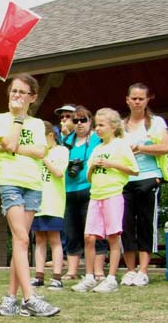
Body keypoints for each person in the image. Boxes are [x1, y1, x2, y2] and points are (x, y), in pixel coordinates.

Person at [0, 74, 59, 317]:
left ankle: (10, 299)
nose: (16, 96)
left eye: (21, 92)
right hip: (10, 182)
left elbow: (40, 151)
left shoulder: (38, 124)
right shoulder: (0, 119)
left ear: (33, 97)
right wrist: (17, 121)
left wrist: (13, 146)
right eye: (13, 91)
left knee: (21, 242)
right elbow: (6, 143)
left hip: (33, 184)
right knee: (21, 239)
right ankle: (29, 298)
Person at [72, 109, 139, 293]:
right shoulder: (97, 148)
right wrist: (93, 166)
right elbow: (89, 177)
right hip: (95, 195)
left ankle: (111, 278)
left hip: (113, 195)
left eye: (101, 125)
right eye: (97, 125)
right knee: (88, 237)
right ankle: (89, 277)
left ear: (114, 126)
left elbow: (134, 170)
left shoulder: (120, 145)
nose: (98, 129)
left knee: (113, 237)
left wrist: (112, 164)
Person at [120, 83, 168, 287]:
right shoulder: (121, 125)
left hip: (149, 177)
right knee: (126, 224)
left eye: (141, 98)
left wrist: (142, 148)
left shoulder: (156, 122)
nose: (137, 102)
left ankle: (143, 270)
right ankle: (130, 270)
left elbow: (166, 147)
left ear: (147, 100)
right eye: (133, 98)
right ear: (127, 100)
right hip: (125, 179)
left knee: (145, 222)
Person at [62, 105, 101, 280]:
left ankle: (97, 271)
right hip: (68, 190)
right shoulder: (66, 141)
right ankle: (72, 271)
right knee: (71, 232)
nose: (79, 124)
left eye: (83, 120)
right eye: (75, 120)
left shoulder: (96, 139)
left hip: (90, 189)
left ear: (90, 121)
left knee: (93, 232)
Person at [31, 121, 68, 290]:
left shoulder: (61, 151)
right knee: (39, 239)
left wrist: (44, 158)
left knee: (54, 238)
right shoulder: (35, 152)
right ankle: (39, 275)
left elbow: (59, 173)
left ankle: (57, 276)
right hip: (36, 202)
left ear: (50, 136)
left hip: (53, 202)